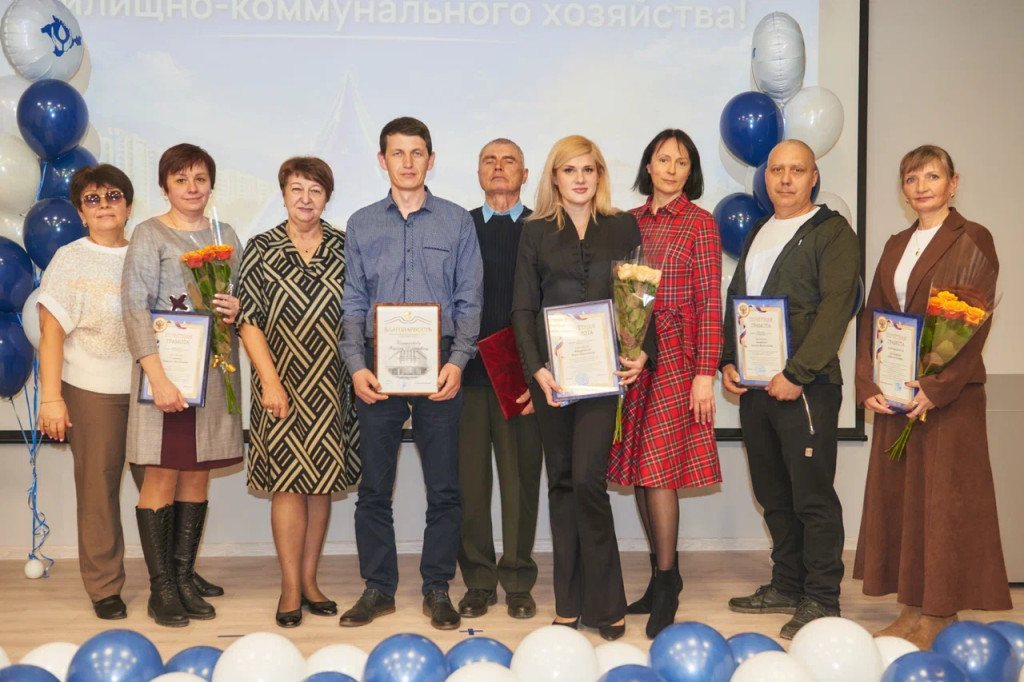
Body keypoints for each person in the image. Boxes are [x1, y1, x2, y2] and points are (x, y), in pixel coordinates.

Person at [853, 145, 1010, 649]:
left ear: (953, 183)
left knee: (942, 504)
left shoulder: (972, 238)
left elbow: (972, 325)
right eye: (911, 178)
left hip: (948, 400)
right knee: (904, 502)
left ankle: (940, 614)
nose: (921, 186)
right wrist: (868, 382)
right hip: (898, 396)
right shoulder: (896, 243)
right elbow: (873, 317)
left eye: (932, 176)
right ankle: (912, 609)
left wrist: (936, 386)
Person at [339, 117, 483, 631]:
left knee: (444, 487)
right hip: (376, 366)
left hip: (439, 364)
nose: (407, 162)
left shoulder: (456, 222)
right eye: (397, 153)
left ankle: (437, 588)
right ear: (382, 160)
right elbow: (353, 301)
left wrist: (457, 361)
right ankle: (378, 589)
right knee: (374, 489)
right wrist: (356, 366)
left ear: (431, 159)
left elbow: (469, 299)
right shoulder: (361, 223)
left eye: (416, 152)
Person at [511, 134, 655, 642]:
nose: (579, 178)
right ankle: (568, 604)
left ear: (599, 176)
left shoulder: (623, 226)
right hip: (553, 379)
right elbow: (522, 309)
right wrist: (536, 370)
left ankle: (606, 602)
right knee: (562, 484)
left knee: (589, 483)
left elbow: (641, 296)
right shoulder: (534, 232)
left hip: (602, 377)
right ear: (554, 177)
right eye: (569, 170)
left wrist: (641, 350)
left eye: (588, 169)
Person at [720, 139, 859, 640]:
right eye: (777, 170)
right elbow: (738, 298)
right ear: (766, 178)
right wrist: (728, 360)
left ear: (813, 177)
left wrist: (797, 374)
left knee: (811, 497)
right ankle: (786, 584)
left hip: (807, 388)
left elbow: (836, 309)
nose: (785, 179)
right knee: (773, 494)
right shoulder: (760, 229)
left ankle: (821, 598)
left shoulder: (832, 233)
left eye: (796, 170)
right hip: (757, 388)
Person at [122, 143, 244, 627]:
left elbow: (240, 297)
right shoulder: (149, 234)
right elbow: (134, 307)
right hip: (165, 374)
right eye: (181, 180)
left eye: (200, 179)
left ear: (211, 184)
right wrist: (157, 377)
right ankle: (162, 589)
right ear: (164, 187)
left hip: (212, 375)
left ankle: (184, 576)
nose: (192, 188)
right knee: (160, 476)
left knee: (197, 473)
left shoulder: (225, 234)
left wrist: (235, 307)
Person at [607, 129, 723, 639]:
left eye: (682, 162)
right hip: (633, 355)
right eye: (663, 159)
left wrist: (705, 374)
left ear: (690, 171)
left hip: (676, 357)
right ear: (648, 166)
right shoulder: (627, 222)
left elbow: (710, 302)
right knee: (637, 468)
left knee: (657, 470)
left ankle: (669, 581)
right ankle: (658, 577)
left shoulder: (701, 223)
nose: (672, 169)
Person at [238, 157, 361, 628]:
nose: (305, 198)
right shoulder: (261, 247)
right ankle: (290, 586)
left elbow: (361, 313)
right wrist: (270, 382)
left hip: (332, 383)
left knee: (321, 483)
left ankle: (310, 582)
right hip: (280, 383)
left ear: (326, 197)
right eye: (296, 188)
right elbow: (248, 319)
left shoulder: (346, 247)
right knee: (288, 484)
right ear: (284, 194)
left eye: (315, 189)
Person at [36, 164, 135, 620]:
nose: (104, 206)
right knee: (98, 492)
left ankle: (171, 580)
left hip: (151, 389)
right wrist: (51, 397)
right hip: (92, 389)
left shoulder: (146, 252)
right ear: (80, 212)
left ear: (129, 206)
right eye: (92, 199)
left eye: (113, 196)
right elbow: (50, 333)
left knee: (161, 488)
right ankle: (105, 587)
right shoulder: (70, 258)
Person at [457, 138, 544, 620]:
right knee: (470, 488)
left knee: (519, 485)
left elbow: (550, 305)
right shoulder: (460, 227)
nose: (498, 166)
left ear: (524, 174)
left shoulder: (543, 227)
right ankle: (477, 581)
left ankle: (517, 580)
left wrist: (538, 375)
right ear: (478, 173)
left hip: (521, 381)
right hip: (464, 378)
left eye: (508, 160)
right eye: (489, 160)